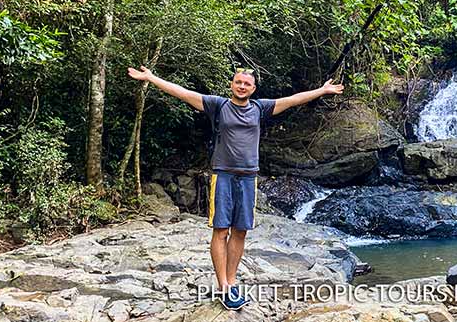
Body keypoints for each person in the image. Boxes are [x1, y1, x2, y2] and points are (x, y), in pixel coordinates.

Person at [127, 65, 344, 310]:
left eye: (247, 84)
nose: (242, 86)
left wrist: (322, 90)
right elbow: (182, 93)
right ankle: (224, 287)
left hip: (249, 177)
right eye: (238, 82)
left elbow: (293, 100)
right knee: (221, 230)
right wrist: (151, 77)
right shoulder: (218, 105)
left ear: (253, 89)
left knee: (240, 231)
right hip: (223, 175)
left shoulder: (260, 108)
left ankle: (232, 281)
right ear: (232, 84)